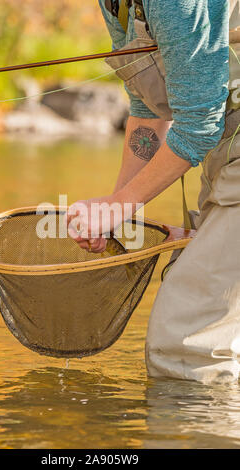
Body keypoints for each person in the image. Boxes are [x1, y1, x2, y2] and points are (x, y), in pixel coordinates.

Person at [67, 0, 240, 384]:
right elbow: (147, 108)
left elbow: (197, 125)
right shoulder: (117, 5)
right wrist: (117, 211)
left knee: (185, 342)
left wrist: (117, 206)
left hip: (226, 147)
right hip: (224, 153)